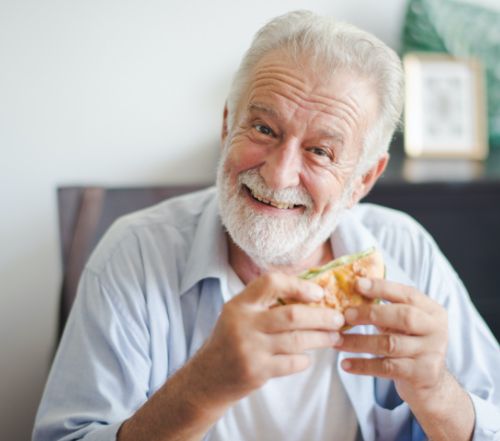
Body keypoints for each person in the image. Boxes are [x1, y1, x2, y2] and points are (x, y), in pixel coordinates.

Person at [33, 10, 500, 441]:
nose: (278, 175)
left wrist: (437, 392)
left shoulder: (406, 250)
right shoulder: (133, 253)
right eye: (263, 130)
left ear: (363, 179)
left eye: (320, 151)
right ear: (226, 126)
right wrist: (199, 391)